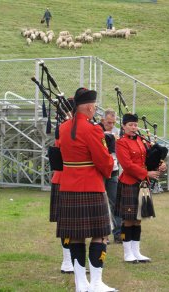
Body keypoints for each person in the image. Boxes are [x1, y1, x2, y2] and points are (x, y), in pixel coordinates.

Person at [56, 88, 117, 292]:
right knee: (100, 235)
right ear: (89, 106)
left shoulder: (63, 128)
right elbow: (103, 161)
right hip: (91, 186)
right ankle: (96, 283)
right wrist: (110, 162)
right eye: (95, 106)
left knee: (75, 236)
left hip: (69, 187)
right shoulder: (93, 129)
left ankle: (80, 283)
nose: (96, 109)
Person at [115, 113, 166, 263]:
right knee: (128, 220)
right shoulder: (121, 143)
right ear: (123, 126)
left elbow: (151, 158)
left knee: (138, 219)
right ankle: (127, 253)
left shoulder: (142, 140)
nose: (133, 127)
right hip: (130, 182)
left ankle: (136, 252)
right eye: (130, 125)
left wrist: (161, 164)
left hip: (143, 184)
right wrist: (146, 173)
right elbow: (127, 165)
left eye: (135, 125)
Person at [49, 98, 74, 274]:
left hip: (78, 180)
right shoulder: (63, 129)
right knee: (66, 223)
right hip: (63, 179)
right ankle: (67, 260)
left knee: (77, 223)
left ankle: (75, 259)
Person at [99, 109, 122, 244]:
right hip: (100, 171)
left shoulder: (117, 132)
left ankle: (118, 233)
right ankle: (102, 234)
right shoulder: (96, 130)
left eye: (113, 123)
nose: (111, 125)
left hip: (113, 170)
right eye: (108, 123)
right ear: (102, 120)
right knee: (101, 204)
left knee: (115, 202)